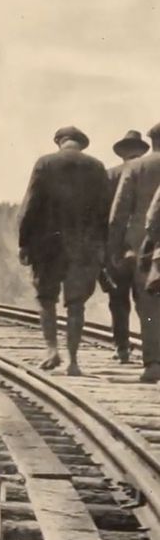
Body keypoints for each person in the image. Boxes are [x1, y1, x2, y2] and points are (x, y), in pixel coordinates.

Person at [18, 126, 110, 376]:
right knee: (76, 303)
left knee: (46, 299)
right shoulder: (97, 167)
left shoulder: (45, 163)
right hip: (84, 247)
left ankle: (51, 350)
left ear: (59, 142)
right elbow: (106, 211)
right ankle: (73, 361)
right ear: (82, 144)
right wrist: (103, 246)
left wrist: (24, 242)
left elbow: (30, 205)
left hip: (48, 246)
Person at [109, 122, 160, 382]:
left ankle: (153, 363)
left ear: (152, 141)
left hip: (145, 244)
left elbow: (119, 213)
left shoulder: (136, 167)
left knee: (149, 303)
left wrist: (114, 248)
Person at [101, 130, 151, 362]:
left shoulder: (110, 175)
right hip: (146, 244)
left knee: (118, 298)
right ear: (142, 150)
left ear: (121, 153)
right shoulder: (149, 170)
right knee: (147, 300)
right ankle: (150, 350)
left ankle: (121, 348)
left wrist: (107, 248)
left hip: (119, 245)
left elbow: (105, 213)